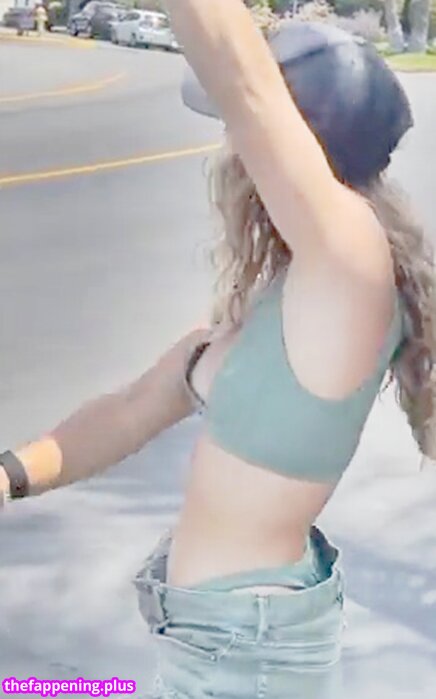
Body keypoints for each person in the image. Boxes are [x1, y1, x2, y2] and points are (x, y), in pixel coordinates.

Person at [1, 3, 435, 698]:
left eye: (241, 136)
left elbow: (248, 85)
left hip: (248, 658)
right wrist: (10, 475)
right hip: (212, 643)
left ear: (300, 150)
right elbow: (128, 411)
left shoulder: (350, 267)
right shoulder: (284, 302)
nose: (232, 150)